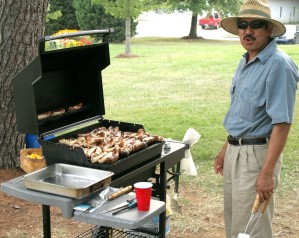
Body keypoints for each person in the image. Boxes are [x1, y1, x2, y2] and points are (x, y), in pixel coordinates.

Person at [214, 0, 299, 237]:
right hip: (236, 152)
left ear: (269, 29)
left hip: (257, 158)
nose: (247, 31)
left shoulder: (279, 66)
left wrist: (267, 172)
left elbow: (282, 124)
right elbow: (242, 114)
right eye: (243, 24)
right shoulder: (247, 60)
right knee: (235, 223)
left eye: (256, 24)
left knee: (252, 230)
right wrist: (226, 148)